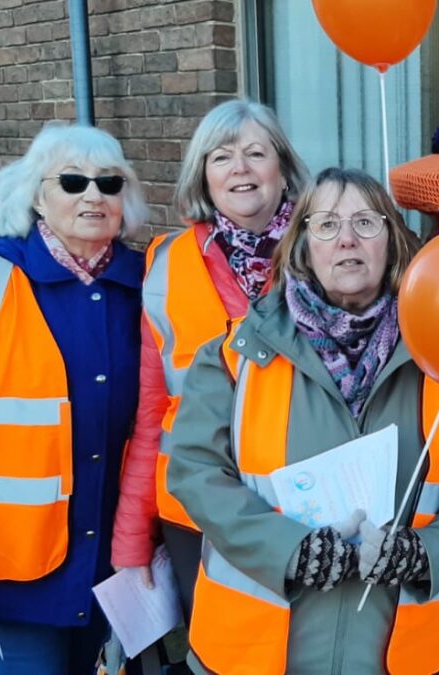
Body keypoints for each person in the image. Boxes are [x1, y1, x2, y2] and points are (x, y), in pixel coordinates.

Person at [166, 167, 439, 674]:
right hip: (253, 655)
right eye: (326, 224)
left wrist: (426, 552)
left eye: (366, 222)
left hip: (393, 655)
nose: (347, 239)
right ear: (303, 246)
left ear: (392, 241)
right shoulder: (234, 356)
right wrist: (288, 550)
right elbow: (194, 472)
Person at [0, 123, 148, 674]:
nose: (93, 195)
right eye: (72, 181)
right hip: (13, 572)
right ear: (36, 197)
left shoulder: (147, 287)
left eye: (109, 182)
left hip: (118, 568)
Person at [110, 99, 309, 628]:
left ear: (283, 166)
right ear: (204, 175)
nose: (240, 168)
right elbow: (153, 410)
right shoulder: (165, 263)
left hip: (304, 505)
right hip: (195, 512)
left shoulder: (326, 249)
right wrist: (132, 537)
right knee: (218, 650)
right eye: (221, 157)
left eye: (256, 153)